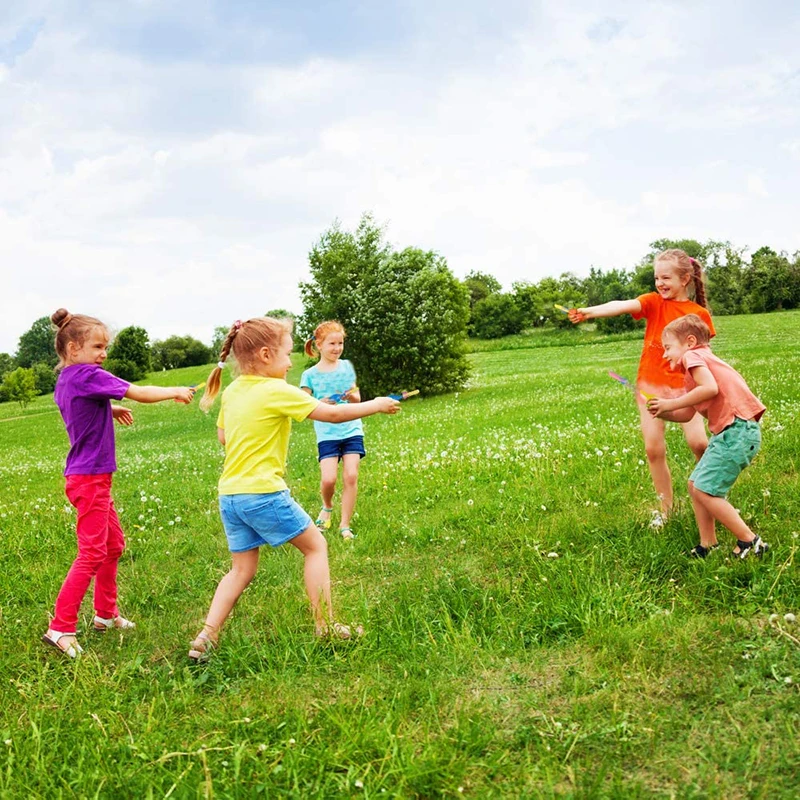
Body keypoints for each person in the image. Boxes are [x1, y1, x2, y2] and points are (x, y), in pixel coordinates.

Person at [189, 317, 399, 662]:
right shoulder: (275, 390)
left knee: (241, 569)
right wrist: (375, 404)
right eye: (287, 355)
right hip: (262, 493)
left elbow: (224, 437)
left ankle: (206, 636)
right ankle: (326, 626)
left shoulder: (233, 391)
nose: (290, 362)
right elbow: (330, 416)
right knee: (315, 546)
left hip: (230, 494)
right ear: (266, 354)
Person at [43, 309, 196, 658]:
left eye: (105, 347)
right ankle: (60, 627)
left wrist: (106, 411)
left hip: (89, 477)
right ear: (72, 347)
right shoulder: (87, 373)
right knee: (92, 552)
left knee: (113, 547)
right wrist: (174, 390)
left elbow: (73, 408)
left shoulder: (69, 379)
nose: (103, 354)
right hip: (90, 478)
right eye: (97, 346)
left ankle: (105, 615)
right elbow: (137, 391)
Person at [569, 249, 715, 522]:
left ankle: (711, 496)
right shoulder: (653, 302)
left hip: (685, 388)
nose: (660, 283)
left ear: (685, 278)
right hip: (650, 386)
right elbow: (623, 305)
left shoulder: (698, 314)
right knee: (653, 449)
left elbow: (705, 355)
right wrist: (589, 312)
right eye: (657, 277)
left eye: (666, 277)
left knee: (698, 443)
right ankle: (666, 510)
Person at [647, 314, 768, 559]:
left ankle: (751, 542)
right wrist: (663, 412)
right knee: (695, 485)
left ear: (690, 342)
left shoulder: (694, 357)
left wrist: (670, 403)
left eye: (668, 347)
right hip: (732, 433)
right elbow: (686, 414)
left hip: (737, 431)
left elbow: (710, 389)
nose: (664, 354)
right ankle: (708, 544)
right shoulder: (696, 371)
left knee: (705, 490)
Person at [300, 321, 363, 540]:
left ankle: (344, 525)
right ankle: (327, 507)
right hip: (327, 433)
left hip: (351, 428)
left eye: (340, 343)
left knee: (351, 475)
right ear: (318, 345)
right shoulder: (309, 375)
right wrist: (321, 402)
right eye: (332, 344)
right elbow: (304, 405)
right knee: (328, 480)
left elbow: (357, 398)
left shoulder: (346, 366)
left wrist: (350, 395)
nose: (337, 348)